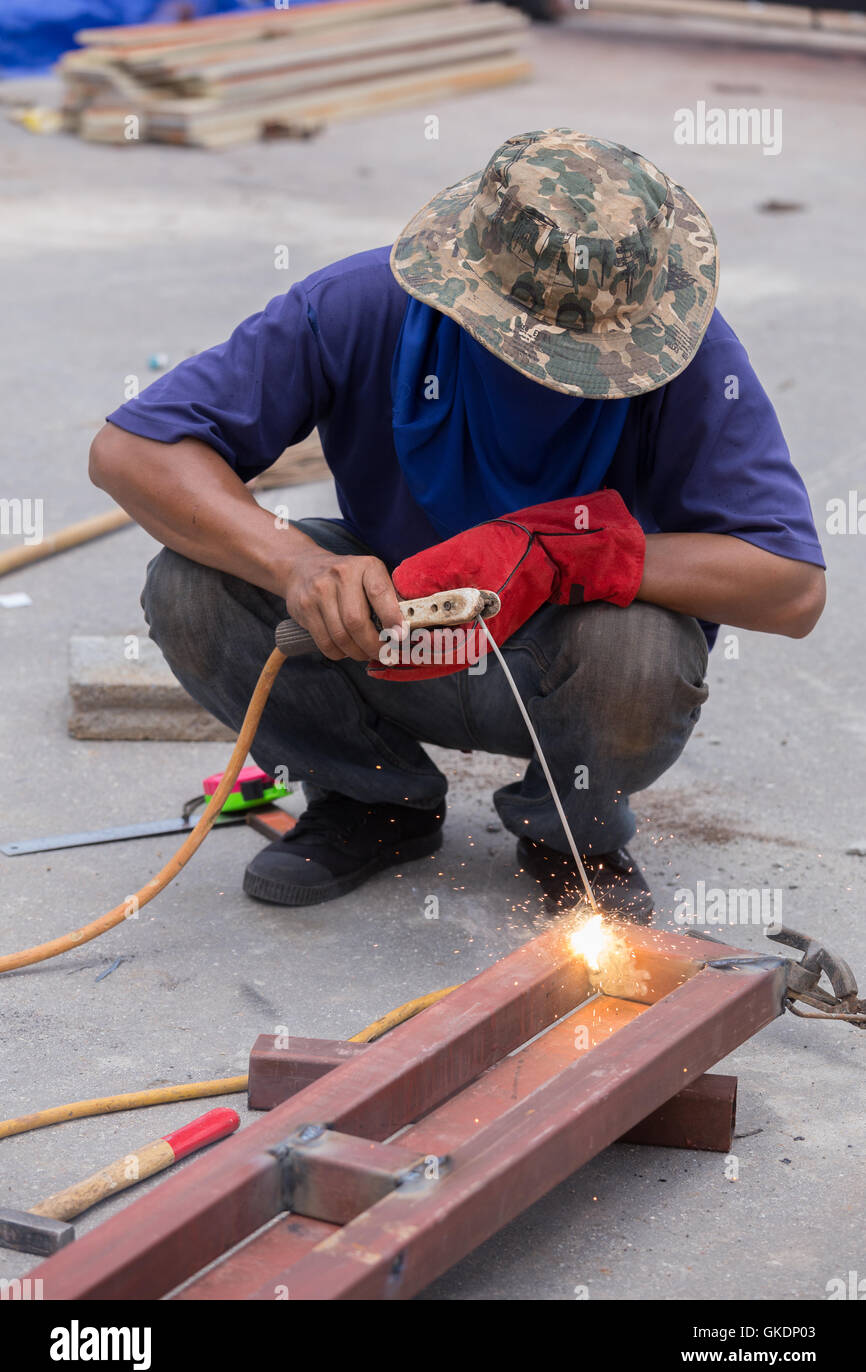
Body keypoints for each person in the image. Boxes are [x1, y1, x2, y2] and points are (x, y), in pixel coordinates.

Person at [88, 129, 826, 922]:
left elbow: (791, 589)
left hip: (564, 660)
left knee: (640, 649)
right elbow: (127, 450)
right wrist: (296, 564)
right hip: (388, 628)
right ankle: (374, 801)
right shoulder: (359, 305)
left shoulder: (683, 354)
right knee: (192, 583)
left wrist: (580, 552)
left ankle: (570, 831)